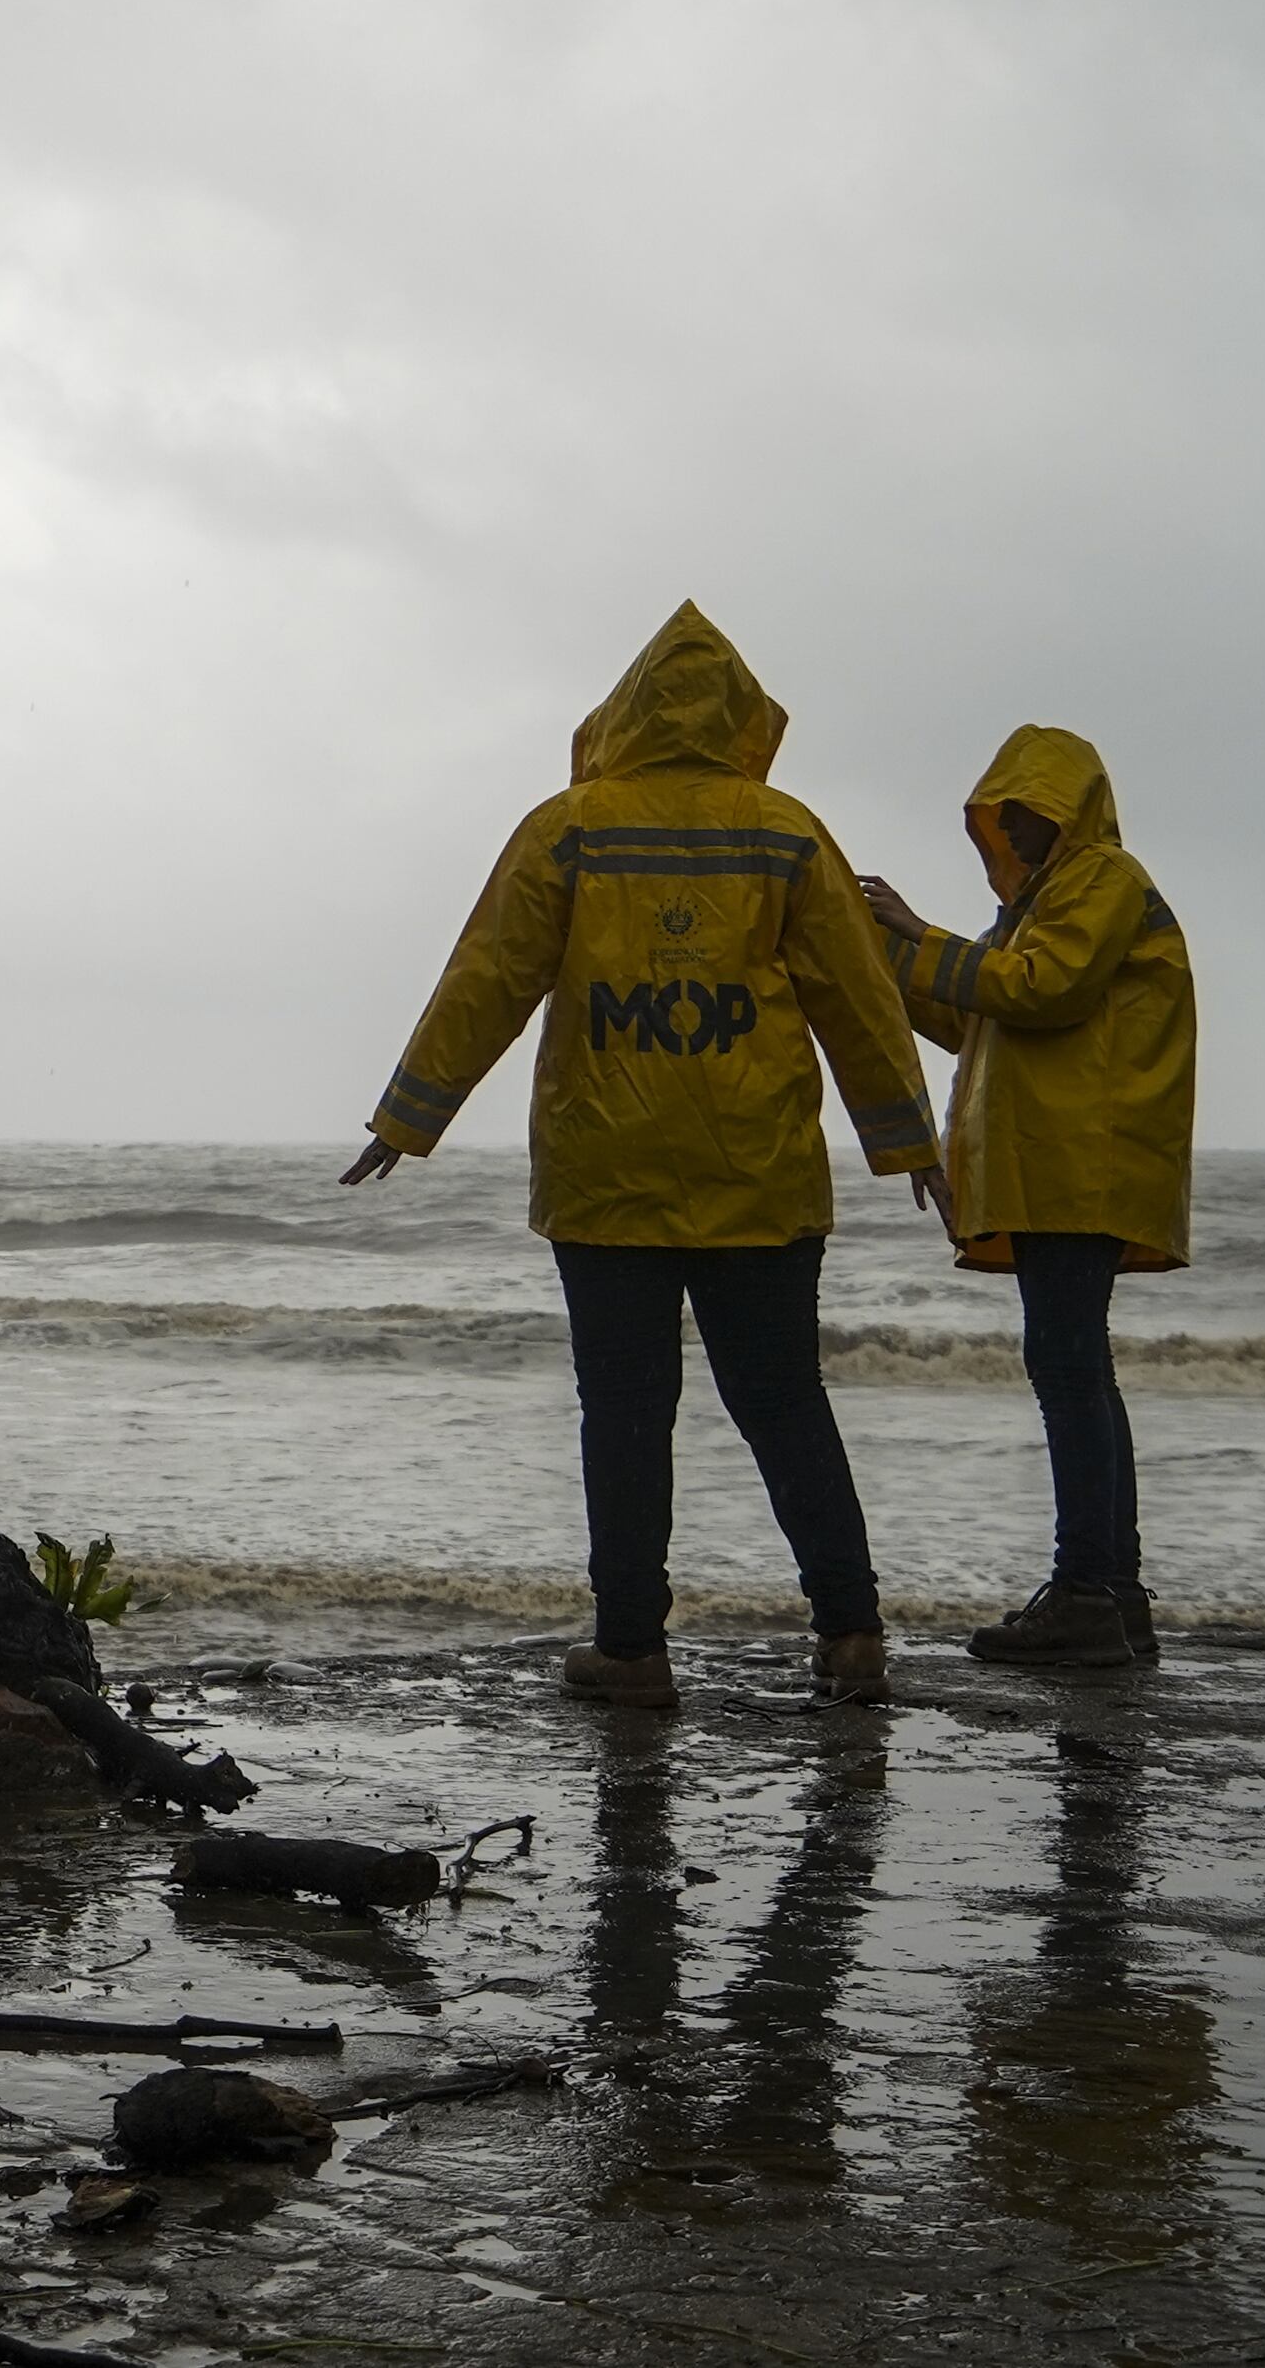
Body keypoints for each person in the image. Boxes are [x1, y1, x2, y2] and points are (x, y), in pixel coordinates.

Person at [343, 603, 950, 1713]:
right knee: (783, 1403)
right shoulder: (787, 831)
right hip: (757, 1169)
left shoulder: (568, 827)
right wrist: (906, 1136)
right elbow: (855, 997)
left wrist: (406, 1116)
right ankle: (851, 1631)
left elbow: (489, 974)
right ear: (739, 717)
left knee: (623, 1411)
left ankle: (631, 1648)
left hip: (602, 1169)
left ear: (621, 710)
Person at [855, 726, 1198, 1672]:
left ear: (1066, 813)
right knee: (1078, 1367)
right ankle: (1112, 1593)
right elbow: (973, 1017)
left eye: (1027, 816)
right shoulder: (1044, 906)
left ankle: (1090, 1592)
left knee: (1068, 1369)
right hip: (1064, 1163)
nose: (1014, 833)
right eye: (1005, 819)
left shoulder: (1105, 883)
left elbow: (1042, 991)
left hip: (1081, 1161)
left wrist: (915, 933)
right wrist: (884, 956)